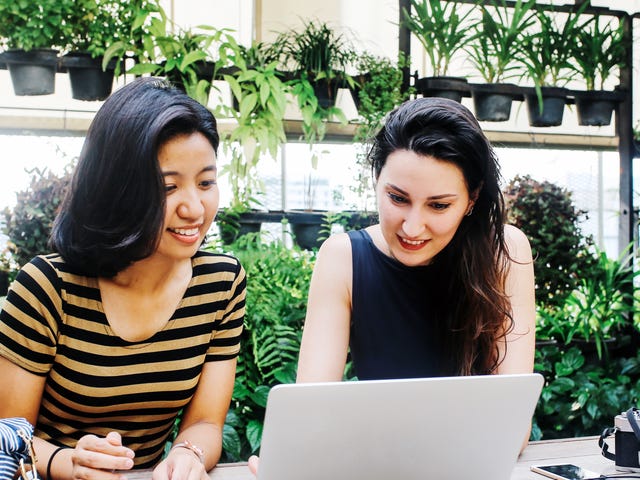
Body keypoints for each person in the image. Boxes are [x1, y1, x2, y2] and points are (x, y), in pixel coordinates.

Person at [248, 96, 534, 476]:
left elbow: (512, 427)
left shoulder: (505, 252)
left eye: (438, 206)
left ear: (472, 199)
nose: (413, 228)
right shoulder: (342, 258)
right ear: (376, 181)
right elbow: (310, 414)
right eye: (398, 198)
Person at [0, 77, 246, 480]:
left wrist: (188, 452)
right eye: (168, 187)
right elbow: (8, 436)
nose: (194, 207)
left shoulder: (221, 284)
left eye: (206, 182)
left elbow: (205, 422)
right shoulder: (47, 286)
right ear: (119, 190)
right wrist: (69, 463)